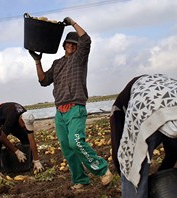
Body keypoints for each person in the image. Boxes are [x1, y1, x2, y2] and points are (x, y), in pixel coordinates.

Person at [28, 17, 112, 190]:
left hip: (75, 108)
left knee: (76, 142)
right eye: (69, 43)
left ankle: (103, 170)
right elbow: (43, 80)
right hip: (60, 112)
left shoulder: (80, 58)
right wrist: (37, 60)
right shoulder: (57, 63)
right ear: (64, 45)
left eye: (75, 44)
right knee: (68, 149)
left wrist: (73, 23)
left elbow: (86, 39)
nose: (72, 46)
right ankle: (80, 180)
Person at [110, 74, 177, 197]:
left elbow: (120, 151)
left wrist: (127, 177)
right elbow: (173, 149)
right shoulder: (163, 81)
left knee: (131, 166)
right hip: (173, 101)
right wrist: (160, 175)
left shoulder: (117, 107)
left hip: (146, 108)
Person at [0, 102, 44, 173]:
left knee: (25, 138)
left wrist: (36, 160)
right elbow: (2, 137)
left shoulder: (26, 116)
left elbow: (31, 138)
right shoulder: (11, 118)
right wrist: (16, 151)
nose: (25, 128)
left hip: (10, 118)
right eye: (24, 126)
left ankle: (30, 161)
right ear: (21, 120)